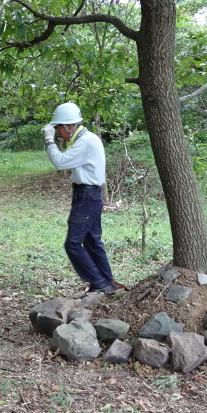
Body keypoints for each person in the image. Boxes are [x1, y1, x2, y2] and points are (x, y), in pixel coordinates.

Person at [42, 102, 123, 294]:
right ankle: (107, 282)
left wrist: (49, 140)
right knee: (92, 241)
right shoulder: (84, 139)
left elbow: (60, 162)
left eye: (58, 128)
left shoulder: (85, 141)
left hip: (87, 195)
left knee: (73, 243)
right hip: (89, 194)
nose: (58, 133)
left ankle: (99, 283)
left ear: (69, 126)